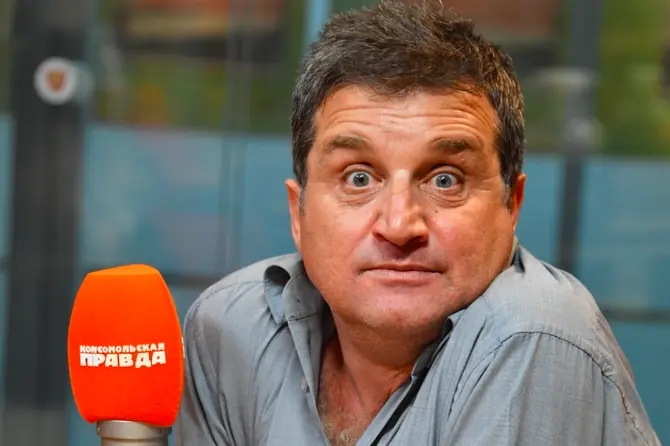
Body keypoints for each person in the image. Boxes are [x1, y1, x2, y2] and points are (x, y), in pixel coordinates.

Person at [175, 1, 660, 445]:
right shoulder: (230, 330)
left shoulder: (533, 336)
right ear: (296, 212)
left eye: (445, 180)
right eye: (359, 177)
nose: (400, 225)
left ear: (512, 205)